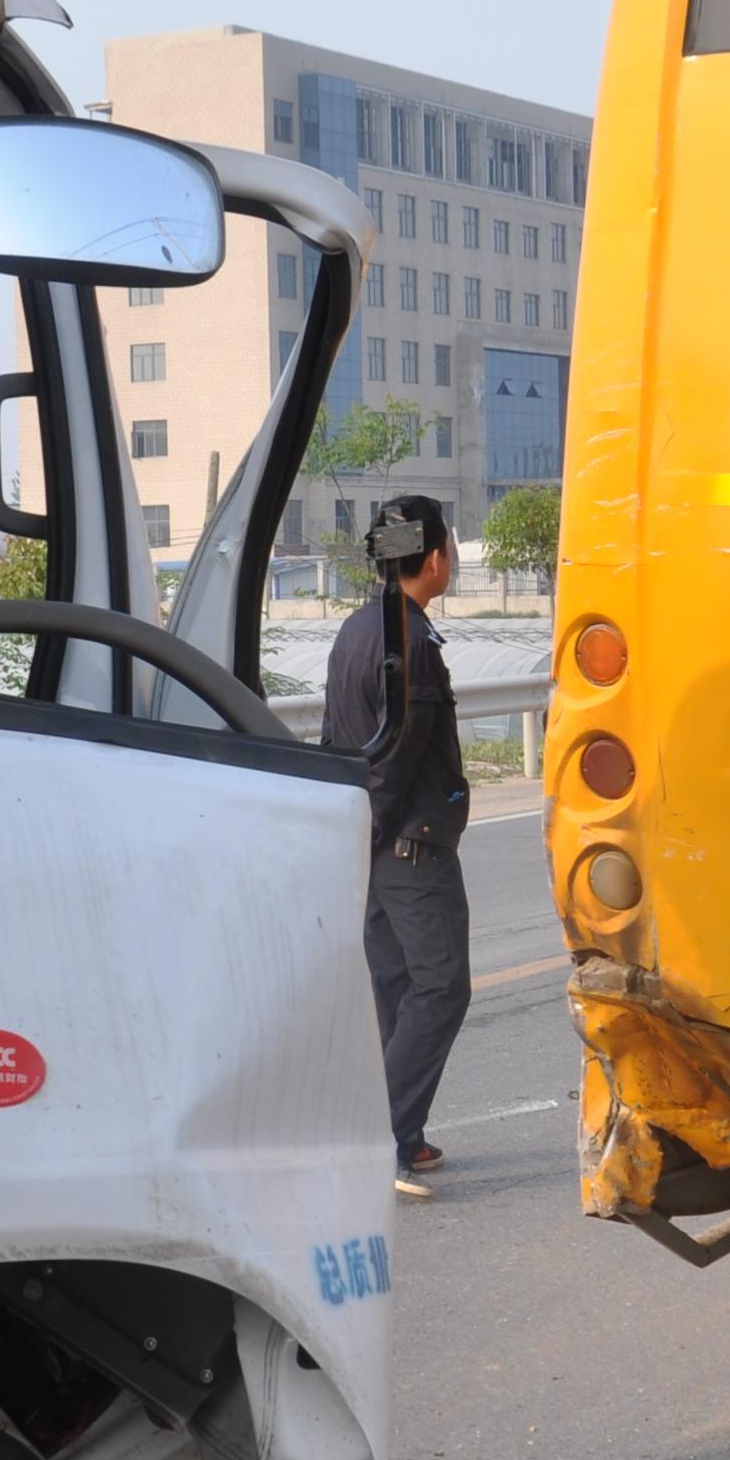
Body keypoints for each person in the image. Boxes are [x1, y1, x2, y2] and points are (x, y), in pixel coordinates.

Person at [329, 493, 470, 1197]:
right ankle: (380, 1140)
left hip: (374, 842)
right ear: (436, 557)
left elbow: (341, 743)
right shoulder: (408, 641)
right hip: (408, 845)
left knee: (399, 987)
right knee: (441, 988)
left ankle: (401, 1137)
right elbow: (397, 754)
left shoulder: (358, 628)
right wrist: (376, 832)